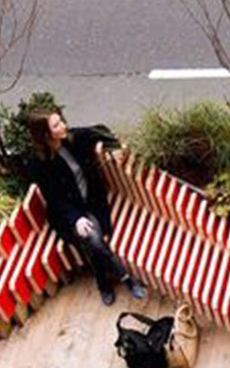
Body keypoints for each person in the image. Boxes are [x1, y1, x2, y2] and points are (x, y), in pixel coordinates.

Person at [26, 110, 146, 306]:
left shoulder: (75, 138)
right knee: (91, 236)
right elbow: (54, 200)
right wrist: (76, 219)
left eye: (61, 121)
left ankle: (103, 282)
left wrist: (115, 146)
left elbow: (100, 131)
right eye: (56, 125)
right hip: (68, 214)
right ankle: (126, 278)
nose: (63, 125)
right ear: (45, 135)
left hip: (92, 203)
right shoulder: (40, 164)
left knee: (93, 240)